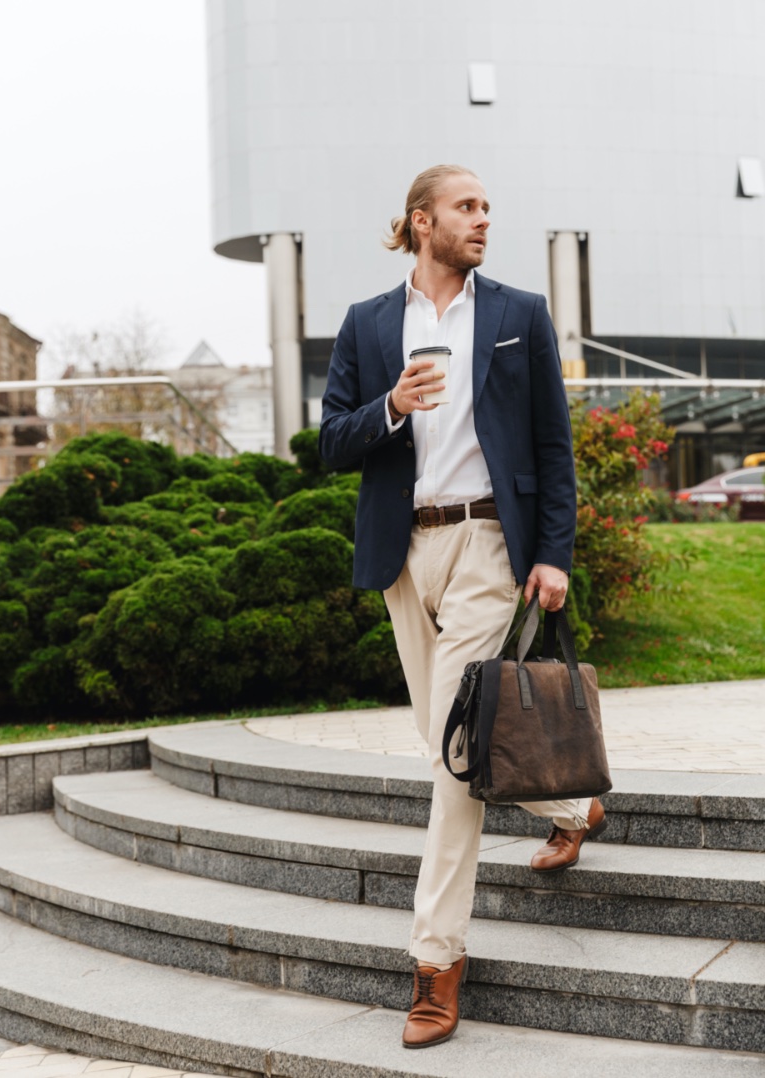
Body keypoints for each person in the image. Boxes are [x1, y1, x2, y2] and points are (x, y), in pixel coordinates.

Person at [319, 164, 606, 1050]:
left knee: (452, 761)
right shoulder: (369, 323)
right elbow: (331, 439)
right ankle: (571, 809)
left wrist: (553, 554)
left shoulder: (516, 314)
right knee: (443, 738)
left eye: (487, 207)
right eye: (467, 207)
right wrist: (391, 408)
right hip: (406, 553)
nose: (484, 219)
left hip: (488, 545)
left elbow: (553, 446)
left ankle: (436, 963)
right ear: (420, 222)